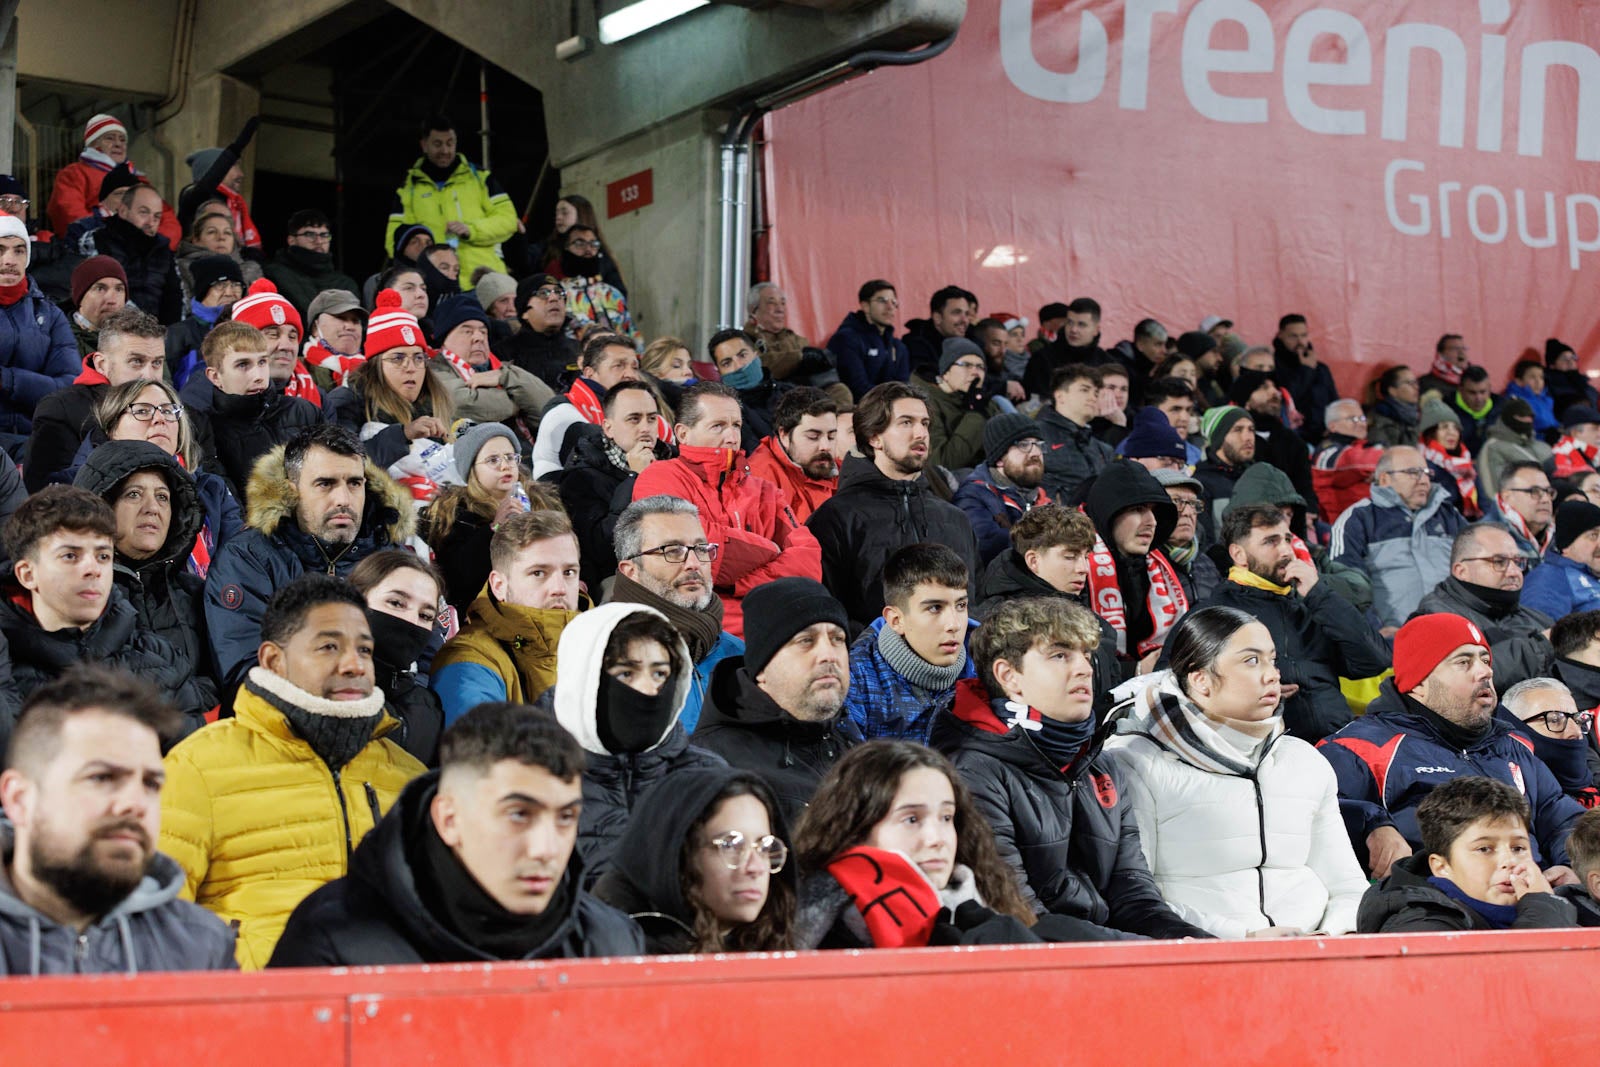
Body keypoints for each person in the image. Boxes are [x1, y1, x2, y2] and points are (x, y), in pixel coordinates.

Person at [161, 573, 426, 968]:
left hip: (392, 1011)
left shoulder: (410, 778)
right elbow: (157, 927)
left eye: (365, 650)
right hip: (256, 1012)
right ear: (273, 660)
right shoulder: (197, 765)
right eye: (329, 647)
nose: (354, 665)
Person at [267, 702, 642, 966]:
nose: (546, 849)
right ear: (449, 819)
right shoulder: (334, 937)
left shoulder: (611, 941)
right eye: (518, 814)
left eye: (565, 817)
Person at [930, 597, 1210, 939]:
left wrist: (1196, 946)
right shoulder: (971, 772)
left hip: (1106, 953)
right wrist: (1150, 954)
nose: (1084, 669)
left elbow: (1135, 897)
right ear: (1009, 676)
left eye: (1086, 655)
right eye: (1060, 655)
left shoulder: (1101, 765)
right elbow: (1022, 917)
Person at [1108, 607, 1369, 937]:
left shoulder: (1304, 760)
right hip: (1206, 961)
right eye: (1251, 661)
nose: (1272, 675)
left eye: (1272, 660)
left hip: (1315, 956)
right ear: (1200, 679)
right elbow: (1136, 899)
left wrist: (1328, 937)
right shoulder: (1135, 762)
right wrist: (1243, 939)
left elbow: (1347, 886)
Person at [0, 666, 236, 975]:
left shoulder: (201, 946)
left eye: (151, 784)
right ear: (20, 799)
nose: (135, 804)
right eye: (101, 777)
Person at [1318, 613, 1586, 879]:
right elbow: (1318, 806)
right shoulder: (1360, 746)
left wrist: (1572, 868)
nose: (1486, 671)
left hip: (1532, 899)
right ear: (1419, 683)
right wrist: (1373, 824)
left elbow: (1564, 822)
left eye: (1484, 659)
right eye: (1463, 662)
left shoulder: (1512, 745)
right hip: (1434, 905)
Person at [204, 424, 413, 688]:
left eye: (354, 484)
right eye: (325, 484)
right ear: (292, 491)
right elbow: (245, 671)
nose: (343, 499)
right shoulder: (248, 558)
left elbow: (426, 664)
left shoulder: (394, 560)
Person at [792, 741, 1057, 949]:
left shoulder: (995, 912)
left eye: (946, 818)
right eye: (911, 819)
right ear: (854, 829)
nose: (936, 838)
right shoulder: (813, 933)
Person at [549, 603, 726, 883]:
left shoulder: (709, 777)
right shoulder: (535, 780)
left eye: (659, 674)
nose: (649, 690)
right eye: (626, 674)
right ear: (584, 680)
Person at [631, 383, 821, 638]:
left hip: (764, 617)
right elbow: (694, 556)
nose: (731, 437)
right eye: (718, 426)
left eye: (736, 426)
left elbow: (807, 560)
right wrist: (771, 552)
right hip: (694, 621)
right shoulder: (659, 477)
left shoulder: (764, 489)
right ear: (683, 433)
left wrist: (740, 583)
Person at [0, 485, 194, 730]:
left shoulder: (161, 656)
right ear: (27, 574)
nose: (94, 569)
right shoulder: (5, 668)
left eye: (103, 556)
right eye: (70, 555)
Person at [1191, 505, 1389, 741]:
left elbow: (1374, 661)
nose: (1286, 551)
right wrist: (1248, 695)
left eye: (1287, 539)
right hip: (1264, 748)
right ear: (1239, 554)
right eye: (1270, 542)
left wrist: (1320, 594)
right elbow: (1180, 687)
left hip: (1337, 743)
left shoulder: (1313, 603)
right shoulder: (1214, 613)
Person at [806, 382, 980, 629]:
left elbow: (974, 601)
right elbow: (829, 612)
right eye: (906, 422)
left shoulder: (955, 518)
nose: (920, 433)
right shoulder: (835, 518)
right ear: (874, 437)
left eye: (925, 423)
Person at [691, 578, 861, 822]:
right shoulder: (712, 766)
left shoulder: (853, 745)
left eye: (837, 639)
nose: (828, 655)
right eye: (806, 641)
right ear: (761, 668)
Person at [72, 441, 221, 720]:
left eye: (163, 497)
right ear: (102, 505)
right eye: (134, 494)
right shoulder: (76, 595)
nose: (153, 508)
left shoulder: (198, 594)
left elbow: (226, 681)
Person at [593, 766, 793, 954]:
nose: (755, 867)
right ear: (679, 854)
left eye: (764, 847)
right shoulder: (611, 951)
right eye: (731, 845)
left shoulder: (772, 944)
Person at [1356, 777, 1577, 933]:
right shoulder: (1418, 924)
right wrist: (1545, 908)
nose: (1509, 861)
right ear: (1441, 867)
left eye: (1518, 848)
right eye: (1484, 849)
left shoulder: (1553, 906)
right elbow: (1518, 990)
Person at [608, 497, 744, 733]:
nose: (693, 563)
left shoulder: (739, 655)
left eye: (701, 549)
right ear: (631, 571)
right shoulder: (603, 657)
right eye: (672, 551)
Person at [431, 511, 581, 723]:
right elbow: (482, 751)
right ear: (499, 586)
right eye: (538, 573)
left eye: (569, 572)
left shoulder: (602, 644)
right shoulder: (470, 659)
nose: (559, 589)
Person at [324, 291, 461, 509]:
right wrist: (403, 435)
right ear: (376, 365)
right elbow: (342, 465)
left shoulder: (436, 402)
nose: (410, 367)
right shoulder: (349, 401)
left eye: (418, 358)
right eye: (398, 358)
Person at [843, 544, 976, 743]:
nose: (954, 625)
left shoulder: (990, 665)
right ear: (896, 620)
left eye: (961, 605)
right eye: (934, 608)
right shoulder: (855, 681)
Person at [25, 307, 166, 493]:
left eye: (157, 363)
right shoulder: (61, 408)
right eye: (136, 361)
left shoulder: (175, 411)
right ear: (101, 364)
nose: (149, 375)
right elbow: (45, 494)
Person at [543, 382, 665, 595]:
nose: (645, 428)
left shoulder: (672, 460)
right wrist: (634, 479)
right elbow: (600, 549)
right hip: (618, 574)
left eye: (652, 418)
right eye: (634, 419)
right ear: (608, 427)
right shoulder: (581, 476)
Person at [1330, 446, 1469, 632]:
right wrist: (1374, 631)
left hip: (1457, 633)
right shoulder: (1357, 518)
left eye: (1427, 473)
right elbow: (1345, 583)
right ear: (1385, 479)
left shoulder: (1449, 515)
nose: (1424, 481)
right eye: (1413, 472)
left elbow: (1478, 569)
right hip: (1393, 639)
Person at [184, 321, 323, 500]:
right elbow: (226, 507)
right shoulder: (206, 431)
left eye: (262, 362)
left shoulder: (306, 411)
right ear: (215, 376)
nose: (258, 376)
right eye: (243, 365)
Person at [1416, 523, 1555, 692]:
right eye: (1499, 561)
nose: (1514, 572)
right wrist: (1541, 646)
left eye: (1518, 562)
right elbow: (1464, 681)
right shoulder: (1434, 617)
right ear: (1461, 570)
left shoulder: (1537, 618)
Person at [386, 115, 518, 289]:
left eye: (450, 143)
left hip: (485, 282)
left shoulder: (481, 178)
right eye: (438, 144)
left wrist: (471, 230)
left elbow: (508, 220)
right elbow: (394, 242)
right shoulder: (408, 189)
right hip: (436, 285)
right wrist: (425, 260)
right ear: (424, 145)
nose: (445, 150)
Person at [1083, 460, 1190, 672]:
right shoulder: (1075, 572)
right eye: (1138, 509)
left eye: (1154, 511)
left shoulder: (1163, 568)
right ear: (1109, 513)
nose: (1152, 521)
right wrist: (1136, 670)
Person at [425, 424, 543, 612]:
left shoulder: (542, 501)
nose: (505, 465)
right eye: (493, 460)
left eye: (510, 457)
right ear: (472, 470)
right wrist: (494, 529)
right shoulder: (454, 515)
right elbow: (458, 581)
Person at [347, 550, 448, 767]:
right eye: (396, 603)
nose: (411, 620)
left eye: (425, 616)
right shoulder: (313, 688)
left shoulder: (428, 709)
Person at [0, 213, 80, 452]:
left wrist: (8, 380)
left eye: (19, 250)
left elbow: (69, 389)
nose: (9, 260)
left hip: (36, 442)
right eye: (0, 250)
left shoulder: (50, 315)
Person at [531, 333, 656, 479]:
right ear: (589, 373)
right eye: (618, 366)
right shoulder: (562, 411)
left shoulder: (642, 407)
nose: (630, 374)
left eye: (634, 367)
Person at [47, 114, 181, 248]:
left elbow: (167, 219)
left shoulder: (139, 180)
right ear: (93, 144)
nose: (118, 144)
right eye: (109, 138)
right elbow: (68, 212)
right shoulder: (75, 173)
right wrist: (107, 241)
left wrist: (156, 245)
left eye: (122, 140)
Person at [428, 295, 554, 433]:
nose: (479, 338)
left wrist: (506, 376)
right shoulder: (434, 371)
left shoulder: (504, 369)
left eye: (483, 331)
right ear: (444, 339)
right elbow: (466, 404)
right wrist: (521, 400)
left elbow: (549, 409)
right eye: (467, 331)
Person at [953, 414, 1051, 565]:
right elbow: (989, 549)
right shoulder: (973, 496)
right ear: (999, 458)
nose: (1036, 452)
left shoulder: (1043, 498)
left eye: (1038, 444)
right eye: (1024, 445)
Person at [87, 182, 182, 325]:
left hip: (156, 336)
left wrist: (166, 338)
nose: (151, 222)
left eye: (157, 217)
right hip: (110, 331)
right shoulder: (98, 241)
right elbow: (97, 294)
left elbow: (175, 299)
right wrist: (140, 329)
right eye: (144, 212)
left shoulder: (164, 251)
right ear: (124, 211)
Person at [745, 386, 839, 524]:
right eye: (813, 437)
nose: (825, 446)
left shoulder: (840, 469)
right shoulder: (760, 478)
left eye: (831, 436)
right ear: (784, 435)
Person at [1502, 678, 1599, 808]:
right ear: (1517, 729)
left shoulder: (1594, 784)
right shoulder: (1508, 804)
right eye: (1554, 720)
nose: (1575, 732)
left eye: (1577, 720)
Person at [1232, 368, 1317, 512]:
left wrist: (1308, 513)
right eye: (1264, 388)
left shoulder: (1293, 442)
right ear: (1246, 402)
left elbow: (1305, 488)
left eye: (1276, 388)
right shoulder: (1234, 440)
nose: (1275, 393)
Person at [229, 279, 321, 404]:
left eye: (292, 337)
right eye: (273, 335)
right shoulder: (207, 396)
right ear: (242, 341)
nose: (286, 346)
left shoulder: (319, 399)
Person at [176, 119, 262, 250]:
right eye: (233, 166)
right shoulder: (193, 197)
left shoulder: (235, 203)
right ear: (215, 169)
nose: (241, 174)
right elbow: (205, 186)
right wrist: (235, 149)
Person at [261, 209, 361, 321]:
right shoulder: (273, 275)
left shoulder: (345, 283)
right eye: (310, 234)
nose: (318, 241)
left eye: (324, 235)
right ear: (291, 240)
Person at [914, 336, 996, 470]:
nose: (975, 372)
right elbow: (942, 463)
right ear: (945, 373)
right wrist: (975, 415)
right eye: (966, 365)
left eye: (980, 367)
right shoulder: (925, 404)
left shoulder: (985, 402)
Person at [1036, 364, 1112, 502]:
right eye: (1084, 390)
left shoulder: (1103, 449)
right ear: (1060, 396)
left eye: (1096, 393)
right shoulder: (1035, 436)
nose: (1093, 398)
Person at [825, 279, 910, 399]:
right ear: (865, 306)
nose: (890, 307)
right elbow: (857, 387)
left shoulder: (898, 346)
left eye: (894, 302)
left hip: (889, 409)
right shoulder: (846, 339)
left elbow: (904, 386)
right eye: (882, 301)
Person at [494, 274, 578, 389]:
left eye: (559, 293)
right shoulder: (502, 354)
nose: (554, 298)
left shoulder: (581, 350)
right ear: (524, 312)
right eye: (543, 293)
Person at [1522, 500, 1600, 620]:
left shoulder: (1592, 575)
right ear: (1566, 545)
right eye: (1593, 536)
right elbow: (1540, 632)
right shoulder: (1548, 578)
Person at [1272, 313, 1338, 443]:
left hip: (1324, 438)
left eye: (1303, 335)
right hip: (1292, 439)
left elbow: (1334, 402)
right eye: (1293, 336)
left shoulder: (1321, 369)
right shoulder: (1272, 367)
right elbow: (1287, 400)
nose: (1300, 342)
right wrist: (1306, 370)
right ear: (1280, 336)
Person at [1193, 405, 1256, 540]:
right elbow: (1205, 542)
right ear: (1219, 437)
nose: (1248, 437)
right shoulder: (1200, 482)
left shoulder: (1257, 477)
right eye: (1238, 430)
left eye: (1251, 429)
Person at [1024, 297, 1108, 398]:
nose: (1073, 330)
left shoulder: (1106, 363)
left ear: (1096, 330)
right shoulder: (1042, 359)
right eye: (1070, 322)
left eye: (1081, 325)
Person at [1476, 397, 1554, 499]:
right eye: (1521, 416)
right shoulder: (1493, 447)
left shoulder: (1542, 446)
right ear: (1509, 418)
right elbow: (1491, 488)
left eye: (1530, 417)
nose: (1527, 420)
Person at [1419, 398, 1481, 519]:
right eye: (1444, 427)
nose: (1451, 433)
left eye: (1455, 428)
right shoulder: (1424, 467)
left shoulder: (1467, 465)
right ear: (1430, 432)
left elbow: (1484, 503)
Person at [903, 286, 975, 379]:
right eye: (956, 313)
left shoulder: (972, 341)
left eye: (966, 314)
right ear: (938, 318)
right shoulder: (916, 345)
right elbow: (926, 384)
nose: (964, 320)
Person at [1485, 461, 1554, 557]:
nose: (1546, 499)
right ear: (1507, 497)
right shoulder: (1485, 539)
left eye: (1548, 491)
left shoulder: (1558, 535)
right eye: (1534, 491)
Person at [66, 255, 128, 357]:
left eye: (119, 289)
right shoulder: (59, 340)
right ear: (79, 297)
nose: (112, 300)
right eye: (100, 288)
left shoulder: (142, 339)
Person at [1365, 366, 1422, 447]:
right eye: (1409, 383)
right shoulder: (1380, 420)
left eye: (1416, 382)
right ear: (1393, 391)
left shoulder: (1415, 416)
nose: (1416, 387)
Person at [1453, 364, 1502, 454]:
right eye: (1472, 393)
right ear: (1460, 390)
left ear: (1490, 388)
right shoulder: (1447, 410)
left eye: (1483, 392)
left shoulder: (1503, 408)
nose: (1478, 398)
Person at [1506, 359, 1559, 438]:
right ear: (1519, 381)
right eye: (1532, 377)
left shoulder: (1545, 400)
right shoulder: (1516, 401)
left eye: (1541, 377)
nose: (1538, 381)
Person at [1554, 404, 1600, 481]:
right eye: (1594, 429)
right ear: (1575, 433)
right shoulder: (1558, 461)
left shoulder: (1594, 457)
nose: (1599, 434)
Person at [1419, 334, 1471, 398]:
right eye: (1455, 348)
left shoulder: (1476, 380)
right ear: (1440, 354)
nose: (1462, 352)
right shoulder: (1426, 383)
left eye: (1464, 348)